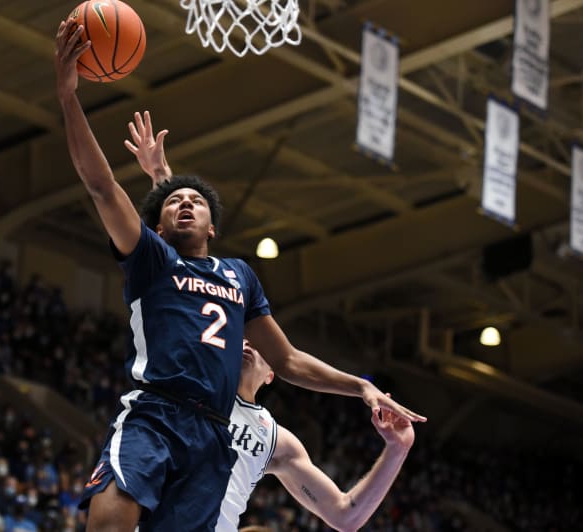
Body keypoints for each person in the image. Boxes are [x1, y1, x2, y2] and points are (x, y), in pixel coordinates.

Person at [55, 21, 425, 532]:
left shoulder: (239, 276)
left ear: (214, 225)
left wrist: (362, 388)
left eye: (198, 202)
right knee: (108, 521)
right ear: (156, 224)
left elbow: (290, 359)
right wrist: (69, 94)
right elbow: (100, 184)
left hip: (211, 436)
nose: (187, 204)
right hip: (157, 413)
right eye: (174, 203)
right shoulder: (151, 260)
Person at [215, 340, 414, 531]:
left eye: (262, 345)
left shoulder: (274, 440)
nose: (249, 344)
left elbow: (344, 516)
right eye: (243, 339)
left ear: (270, 375)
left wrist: (397, 449)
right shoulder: (193, 393)